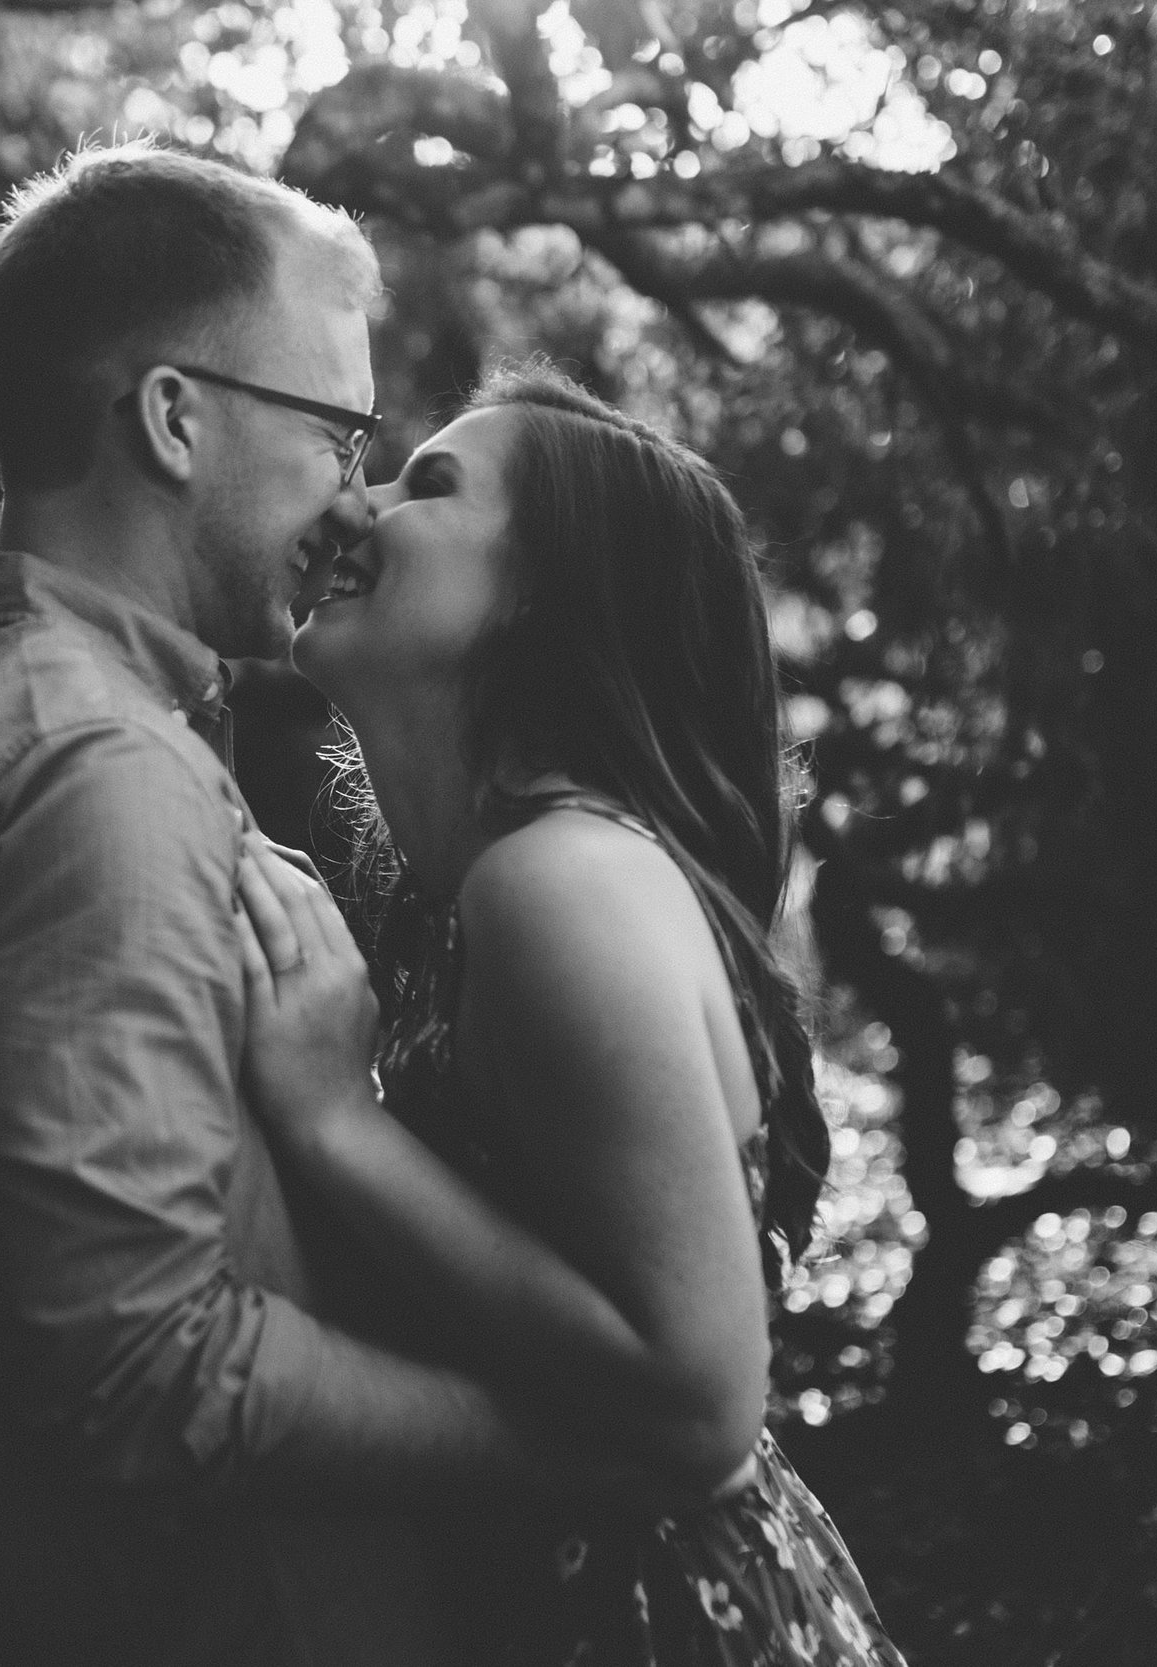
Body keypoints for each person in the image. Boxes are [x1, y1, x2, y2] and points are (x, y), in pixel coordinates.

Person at [0, 145, 641, 1667]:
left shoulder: (58, 713)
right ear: (174, 420)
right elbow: (138, 1364)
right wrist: (554, 1446)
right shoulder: (99, 771)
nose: (354, 495)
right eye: (336, 432)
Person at [230, 366, 910, 1666]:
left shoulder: (561, 883)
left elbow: (703, 1409)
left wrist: (332, 1119)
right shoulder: (490, 889)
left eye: (428, 486)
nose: (353, 505)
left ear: (548, 598)